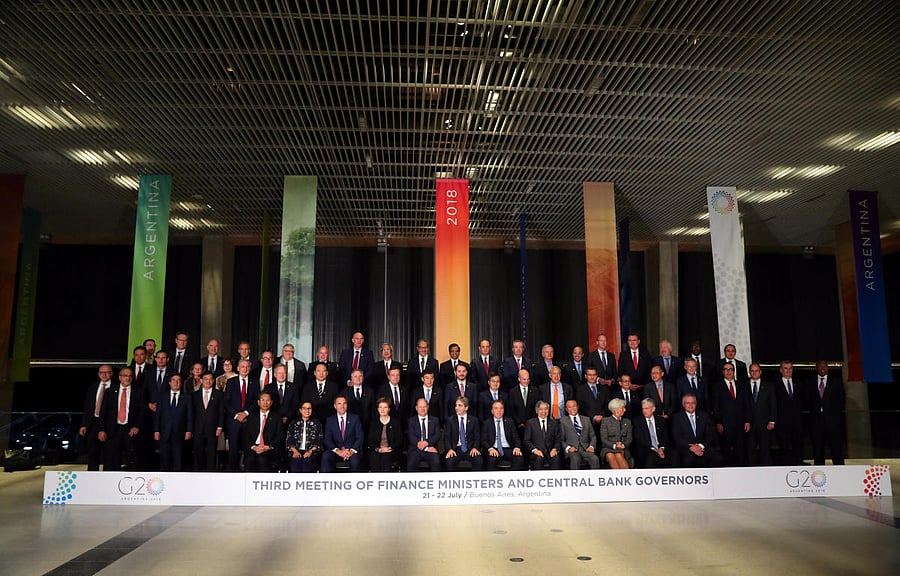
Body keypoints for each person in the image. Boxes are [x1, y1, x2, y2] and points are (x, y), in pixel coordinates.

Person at [98, 368, 145, 471]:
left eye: (130, 376)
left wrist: (136, 426)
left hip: (130, 430)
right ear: (120, 377)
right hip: (113, 430)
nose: (127, 378)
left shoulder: (138, 392)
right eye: (125, 375)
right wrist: (101, 429)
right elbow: (103, 412)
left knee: (131, 458)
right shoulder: (110, 392)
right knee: (112, 459)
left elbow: (142, 411)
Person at [710, 362, 751, 466]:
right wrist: (718, 422)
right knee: (726, 450)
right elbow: (715, 407)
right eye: (726, 369)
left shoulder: (741, 385)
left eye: (731, 369)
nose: (728, 371)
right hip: (725, 424)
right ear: (723, 372)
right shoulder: (717, 387)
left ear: (734, 371)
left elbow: (747, 404)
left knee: (740, 449)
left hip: (740, 423)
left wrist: (747, 420)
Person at [224, 359, 260, 471]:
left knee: (248, 447)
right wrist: (236, 415)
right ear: (238, 368)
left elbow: (256, 401)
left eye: (247, 367)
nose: (245, 369)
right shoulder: (231, 382)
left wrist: (245, 413)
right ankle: (232, 472)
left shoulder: (254, 382)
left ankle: (248, 472)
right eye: (242, 367)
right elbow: (226, 401)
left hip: (248, 420)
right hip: (234, 421)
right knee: (233, 449)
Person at [671, 393, 723, 468]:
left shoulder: (704, 416)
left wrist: (700, 446)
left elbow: (710, 435)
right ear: (683, 404)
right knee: (688, 461)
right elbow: (677, 438)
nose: (690, 405)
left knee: (718, 458)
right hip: (687, 448)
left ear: (696, 404)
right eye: (687, 403)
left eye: (693, 403)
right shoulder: (677, 417)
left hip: (703, 446)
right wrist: (692, 448)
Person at [809, 360, 845, 465]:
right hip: (816, 423)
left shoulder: (836, 382)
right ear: (817, 368)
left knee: (836, 449)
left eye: (824, 366)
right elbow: (807, 400)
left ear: (827, 368)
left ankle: (840, 472)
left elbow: (841, 400)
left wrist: (835, 416)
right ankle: (819, 475)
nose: (822, 368)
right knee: (818, 450)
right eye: (820, 367)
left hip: (833, 423)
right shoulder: (810, 382)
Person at [154, 374, 193, 471]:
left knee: (178, 459)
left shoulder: (187, 397)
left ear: (181, 383)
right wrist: (156, 430)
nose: (176, 382)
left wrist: (189, 430)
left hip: (180, 432)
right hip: (164, 432)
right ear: (169, 383)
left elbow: (190, 415)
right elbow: (158, 415)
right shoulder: (163, 396)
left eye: (178, 380)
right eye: (174, 380)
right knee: (164, 459)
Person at [79, 365, 114, 470]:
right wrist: (84, 424)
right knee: (93, 452)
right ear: (98, 374)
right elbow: (87, 407)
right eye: (101, 372)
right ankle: (92, 478)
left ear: (112, 374)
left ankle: (107, 479)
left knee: (108, 454)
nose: (104, 374)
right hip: (93, 423)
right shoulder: (93, 387)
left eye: (107, 372)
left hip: (109, 424)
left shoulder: (116, 387)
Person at [321, 395, 364, 472]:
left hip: (352, 452)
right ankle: (327, 482)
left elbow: (360, 437)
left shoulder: (355, 418)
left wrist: (351, 451)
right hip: (337, 452)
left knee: (355, 461)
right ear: (335, 406)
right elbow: (327, 440)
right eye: (339, 404)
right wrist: (339, 451)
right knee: (326, 456)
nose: (342, 406)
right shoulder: (330, 420)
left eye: (344, 403)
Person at [192, 371, 224, 472]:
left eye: (210, 379)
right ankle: (198, 473)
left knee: (212, 452)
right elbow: (191, 413)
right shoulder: (194, 395)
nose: (208, 381)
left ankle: (211, 472)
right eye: (205, 379)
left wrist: (220, 426)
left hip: (213, 428)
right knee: (198, 452)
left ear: (213, 381)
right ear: (201, 380)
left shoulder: (219, 394)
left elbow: (221, 412)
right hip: (198, 428)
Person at [243, 392, 283, 472]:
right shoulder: (252, 417)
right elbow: (246, 435)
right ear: (258, 402)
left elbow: (280, 436)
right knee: (250, 459)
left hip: (268, 448)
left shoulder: (276, 417)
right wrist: (253, 447)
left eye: (268, 400)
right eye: (263, 400)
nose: (265, 403)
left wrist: (268, 447)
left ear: (271, 402)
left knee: (262, 459)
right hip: (254, 447)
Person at [775, 360, 804, 465]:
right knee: (784, 449)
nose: (788, 371)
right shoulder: (775, 386)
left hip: (797, 423)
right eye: (785, 368)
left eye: (790, 368)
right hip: (782, 423)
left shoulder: (799, 384)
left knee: (798, 448)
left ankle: (799, 469)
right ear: (781, 370)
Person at [746, 363, 776, 466]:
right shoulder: (743, 386)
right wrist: (746, 421)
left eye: (756, 371)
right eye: (752, 371)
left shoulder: (769, 386)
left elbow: (773, 404)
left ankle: (766, 473)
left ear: (760, 372)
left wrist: (772, 421)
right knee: (750, 450)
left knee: (765, 451)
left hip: (765, 424)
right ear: (749, 373)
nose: (754, 373)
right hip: (749, 424)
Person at [482, 400, 524, 470]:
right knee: (491, 460)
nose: (499, 411)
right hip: (494, 449)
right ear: (492, 411)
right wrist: (490, 449)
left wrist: (517, 447)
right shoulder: (487, 423)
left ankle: (512, 479)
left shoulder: (510, 422)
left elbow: (516, 438)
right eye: (496, 408)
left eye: (501, 408)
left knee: (519, 459)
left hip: (508, 449)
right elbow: (483, 440)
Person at [444, 397, 483, 471]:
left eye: (460, 405)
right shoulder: (450, 420)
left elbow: (477, 437)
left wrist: (475, 447)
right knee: (449, 462)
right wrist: (449, 449)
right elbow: (446, 438)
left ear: (466, 407)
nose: (456, 408)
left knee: (479, 461)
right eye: (456, 405)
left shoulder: (474, 420)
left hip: (470, 448)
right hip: (455, 449)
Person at [561, 399, 601, 469]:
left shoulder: (586, 419)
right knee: (575, 458)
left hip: (586, 449)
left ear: (577, 407)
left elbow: (593, 436)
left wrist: (591, 446)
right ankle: (575, 479)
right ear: (566, 409)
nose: (572, 409)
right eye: (569, 407)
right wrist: (568, 448)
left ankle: (595, 479)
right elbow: (561, 439)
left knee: (594, 458)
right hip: (572, 450)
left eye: (574, 406)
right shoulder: (563, 421)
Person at [632, 398, 671, 468]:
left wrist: (661, 448)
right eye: (643, 408)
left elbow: (666, 437)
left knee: (674, 455)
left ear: (653, 409)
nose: (644, 411)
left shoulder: (661, 421)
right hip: (646, 449)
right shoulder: (637, 421)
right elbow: (639, 440)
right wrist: (655, 450)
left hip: (661, 448)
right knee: (651, 456)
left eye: (646, 408)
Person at [286, 402, 323, 473]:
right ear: (300, 410)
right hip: (295, 451)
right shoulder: (293, 423)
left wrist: (310, 451)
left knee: (307, 464)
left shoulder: (317, 423)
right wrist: (295, 451)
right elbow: (289, 438)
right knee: (295, 463)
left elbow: (319, 439)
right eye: (304, 408)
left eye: (309, 408)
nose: (307, 410)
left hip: (312, 452)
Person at [367, 398, 402, 472]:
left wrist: (389, 448)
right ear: (378, 409)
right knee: (374, 458)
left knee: (385, 458)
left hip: (391, 451)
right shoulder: (374, 422)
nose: (382, 410)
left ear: (389, 409)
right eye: (380, 407)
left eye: (385, 407)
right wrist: (378, 449)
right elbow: (370, 441)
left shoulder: (395, 422)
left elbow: (399, 440)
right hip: (377, 450)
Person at [523, 401, 561, 470]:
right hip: (536, 453)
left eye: (546, 409)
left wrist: (555, 449)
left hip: (550, 452)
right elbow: (526, 440)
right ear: (537, 411)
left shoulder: (554, 423)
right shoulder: (530, 423)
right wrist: (535, 450)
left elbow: (557, 439)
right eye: (541, 409)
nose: (544, 411)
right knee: (539, 459)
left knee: (556, 459)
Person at [406, 398, 441, 471]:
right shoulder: (411, 421)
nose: (422, 409)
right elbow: (411, 437)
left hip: (431, 448)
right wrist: (425, 448)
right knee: (410, 464)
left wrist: (427, 443)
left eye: (424, 407)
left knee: (436, 463)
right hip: (415, 449)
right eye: (420, 407)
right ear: (416, 408)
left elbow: (437, 435)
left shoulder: (435, 420)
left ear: (428, 407)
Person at [506, 369, 540, 441]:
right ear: (519, 379)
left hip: (532, 425)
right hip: (517, 426)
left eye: (528, 379)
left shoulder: (535, 391)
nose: (526, 381)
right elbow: (511, 409)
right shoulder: (512, 392)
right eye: (524, 379)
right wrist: (519, 422)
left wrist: (530, 422)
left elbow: (537, 408)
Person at [576, 366, 609, 435]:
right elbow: (581, 407)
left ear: (597, 376)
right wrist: (593, 417)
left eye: (594, 375)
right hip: (588, 422)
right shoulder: (580, 390)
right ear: (585, 376)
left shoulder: (604, 389)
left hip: (603, 422)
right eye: (590, 375)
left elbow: (607, 404)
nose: (592, 377)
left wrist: (601, 416)